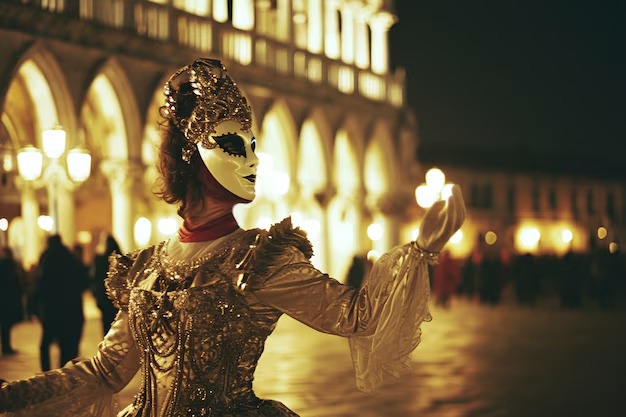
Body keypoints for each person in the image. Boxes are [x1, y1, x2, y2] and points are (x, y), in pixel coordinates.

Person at [0, 58, 465, 417]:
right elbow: (105, 372)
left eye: (254, 147)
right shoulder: (146, 268)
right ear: (189, 157)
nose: (253, 160)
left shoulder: (260, 261)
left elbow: (359, 316)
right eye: (232, 145)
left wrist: (420, 251)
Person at [34, 234, 89, 372]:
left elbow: (40, 285)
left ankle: (46, 373)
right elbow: (83, 281)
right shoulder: (70, 257)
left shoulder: (46, 258)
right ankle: (64, 373)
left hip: (52, 310)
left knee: (45, 344)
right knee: (68, 346)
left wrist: (38, 308)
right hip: (71, 308)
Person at [91, 235, 122, 336]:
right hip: (117, 298)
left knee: (106, 324)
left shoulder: (100, 259)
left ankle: (108, 342)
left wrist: (96, 295)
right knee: (118, 323)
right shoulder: (120, 260)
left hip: (105, 297)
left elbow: (95, 279)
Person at [0, 247, 23, 355]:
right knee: (6, 325)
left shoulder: (5, 264)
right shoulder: (9, 265)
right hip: (7, 299)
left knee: (5, 324)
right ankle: (6, 346)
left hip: (5, 299)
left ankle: (6, 346)